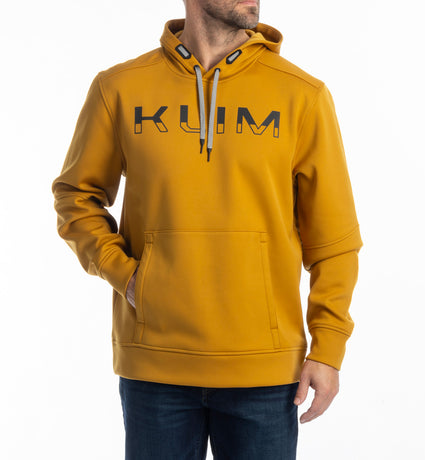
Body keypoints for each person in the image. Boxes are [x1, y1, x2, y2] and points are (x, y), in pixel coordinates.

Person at [51, 0, 363, 458]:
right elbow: (75, 197)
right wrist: (128, 276)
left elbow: (334, 240)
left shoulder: (302, 95)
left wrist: (328, 348)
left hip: (265, 372)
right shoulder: (119, 88)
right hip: (155, 367)